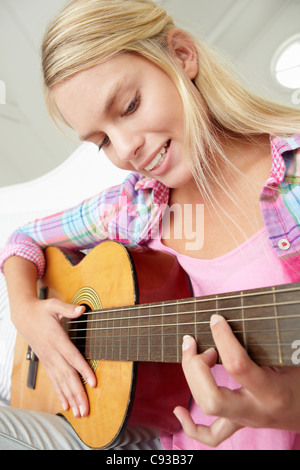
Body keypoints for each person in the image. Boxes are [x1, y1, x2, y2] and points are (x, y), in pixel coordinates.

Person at [1, 0, 300, 451]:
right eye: (101, 141)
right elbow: (21, 240)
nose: (125, 151)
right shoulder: (135, 207)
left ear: (181, 55)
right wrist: (28, 313)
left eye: (130, 105)